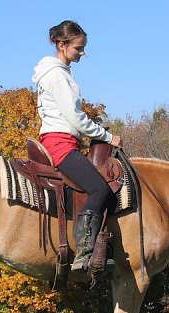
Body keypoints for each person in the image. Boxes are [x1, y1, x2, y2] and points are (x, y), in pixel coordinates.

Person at [31, 20, 122, 272]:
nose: (82, 53)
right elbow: (75, 117)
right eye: (78, 49)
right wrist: (106, 136)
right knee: (99, 190)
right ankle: (84, 251)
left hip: (62, 140)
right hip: (60, 144)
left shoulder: (56, 72)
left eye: (83, 48)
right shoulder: (58, 75)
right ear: (62, 44)